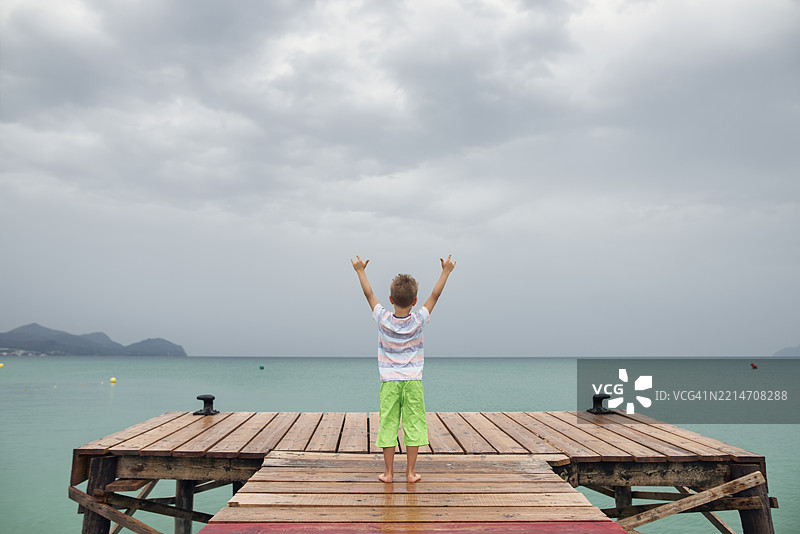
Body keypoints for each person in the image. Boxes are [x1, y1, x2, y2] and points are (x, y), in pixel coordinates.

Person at [351, 254, 456, 483]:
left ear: (390, 299)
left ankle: (388, 473)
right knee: (414, 424)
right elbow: (435, 296)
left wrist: (360, 271)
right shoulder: (418, 320)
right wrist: (445, 272)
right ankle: (410, 473)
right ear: (415, 301)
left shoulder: (382, 319)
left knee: (388, 424)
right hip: (413, 382)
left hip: (389, 382)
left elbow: (368, 294)